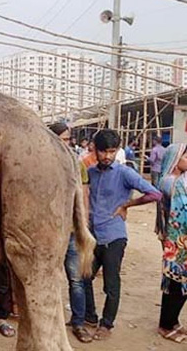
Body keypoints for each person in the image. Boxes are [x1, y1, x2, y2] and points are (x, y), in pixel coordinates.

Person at [84, 129, 162, 341]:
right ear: (95, 149)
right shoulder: (91, 172)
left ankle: (106, 324)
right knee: (83, 277)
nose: (107, 156)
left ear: (117, 150)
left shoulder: (124, 173)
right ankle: (89, 317)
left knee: (111, 283)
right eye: (103, 151)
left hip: (114, 236)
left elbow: (155, 193)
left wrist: (127, 204)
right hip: (93, 235)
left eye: (112, 151)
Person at [50, 123, 92, 343]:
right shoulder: (43, 164)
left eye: (67, 139)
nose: (66, 143)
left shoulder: (77, 164)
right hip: (51, 233)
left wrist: (84, 226)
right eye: (62, 139)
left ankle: (78, 323)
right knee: (50, 279)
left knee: (76, 280)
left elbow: (83, 197)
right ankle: (53, 324)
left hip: (72, 232)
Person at [155, 143, 187, 343]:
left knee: (180, 283)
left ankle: (172, 321)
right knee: (177, 282)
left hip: (179, 240)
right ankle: (165, 325)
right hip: (177, 242)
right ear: (176, 159)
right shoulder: (170, 182)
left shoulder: (178, 181)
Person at [150, 136, 168, 239]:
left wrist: (147, 158)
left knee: (155, 185)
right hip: (162, 169)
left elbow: (152, 160)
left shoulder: (155, 149)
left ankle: (155, 197)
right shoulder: (164, 150)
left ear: (155, 141)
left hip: (155, 169)